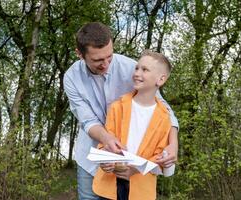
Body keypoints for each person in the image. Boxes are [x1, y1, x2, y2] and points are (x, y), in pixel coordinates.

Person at [63, 22, 178, 199]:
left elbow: (162, 107)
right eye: (98, 60)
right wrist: (107, 139)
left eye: (109, 56)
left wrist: (173, 142)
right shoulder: (71, 78)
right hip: (90, 157)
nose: (106, 63)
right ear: (80, 54)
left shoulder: (132, 68)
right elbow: (87, 120)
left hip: (127, 164)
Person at [92, 50, 177, 200]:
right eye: (137, 68)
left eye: (144, 70)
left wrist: (136, 169)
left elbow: (159, 156)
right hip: (109, 186)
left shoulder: (164, 118)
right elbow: (105, 141)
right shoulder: (117, 106)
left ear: (161, 79)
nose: (137, 73)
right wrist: (106, 161)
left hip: (141, 188)